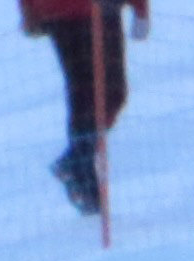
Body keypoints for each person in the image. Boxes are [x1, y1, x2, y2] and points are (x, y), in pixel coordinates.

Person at [17, 0, 145, 218]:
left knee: (88, 95)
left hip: (67, 11)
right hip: (86, 10)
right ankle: (80, 171)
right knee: (97, 94)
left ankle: (80, 169)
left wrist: (30, 12)